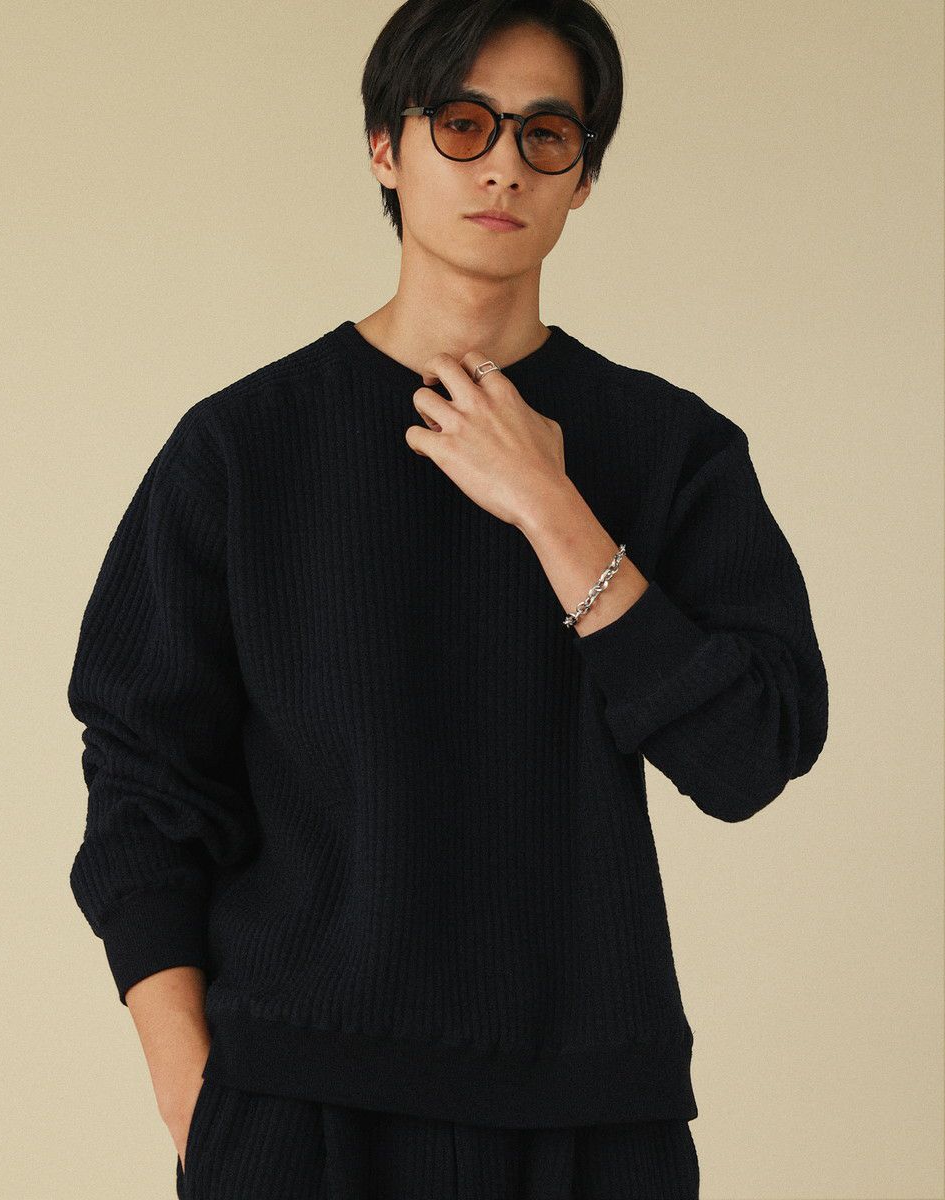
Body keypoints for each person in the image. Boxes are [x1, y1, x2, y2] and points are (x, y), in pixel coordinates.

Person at [66, 2, 829, 1197]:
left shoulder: (668, 447)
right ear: (387, 147)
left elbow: (749, 755)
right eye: (463, 124)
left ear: (583, 177)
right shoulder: (243, 450)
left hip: (592, 1113)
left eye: (545, 135)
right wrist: (194, 1096)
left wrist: (552, 509)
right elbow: (144, 786)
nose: (503, 166)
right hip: (300, 1106)